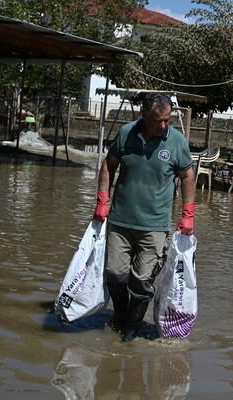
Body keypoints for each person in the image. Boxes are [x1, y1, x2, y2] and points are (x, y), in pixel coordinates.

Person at [93, 92, 196, 341]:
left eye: (167, 120)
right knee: (115, 275)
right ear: (143, 115)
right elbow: (108, 165)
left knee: (141, 282)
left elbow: (187, 176)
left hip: (155, 225)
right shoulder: (127, 133)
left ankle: (130, 334)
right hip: (120, 221)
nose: (163, 126)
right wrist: (102, 200)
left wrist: (188, 214)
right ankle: (120, 315)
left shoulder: (177, 142)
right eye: (157, 120)